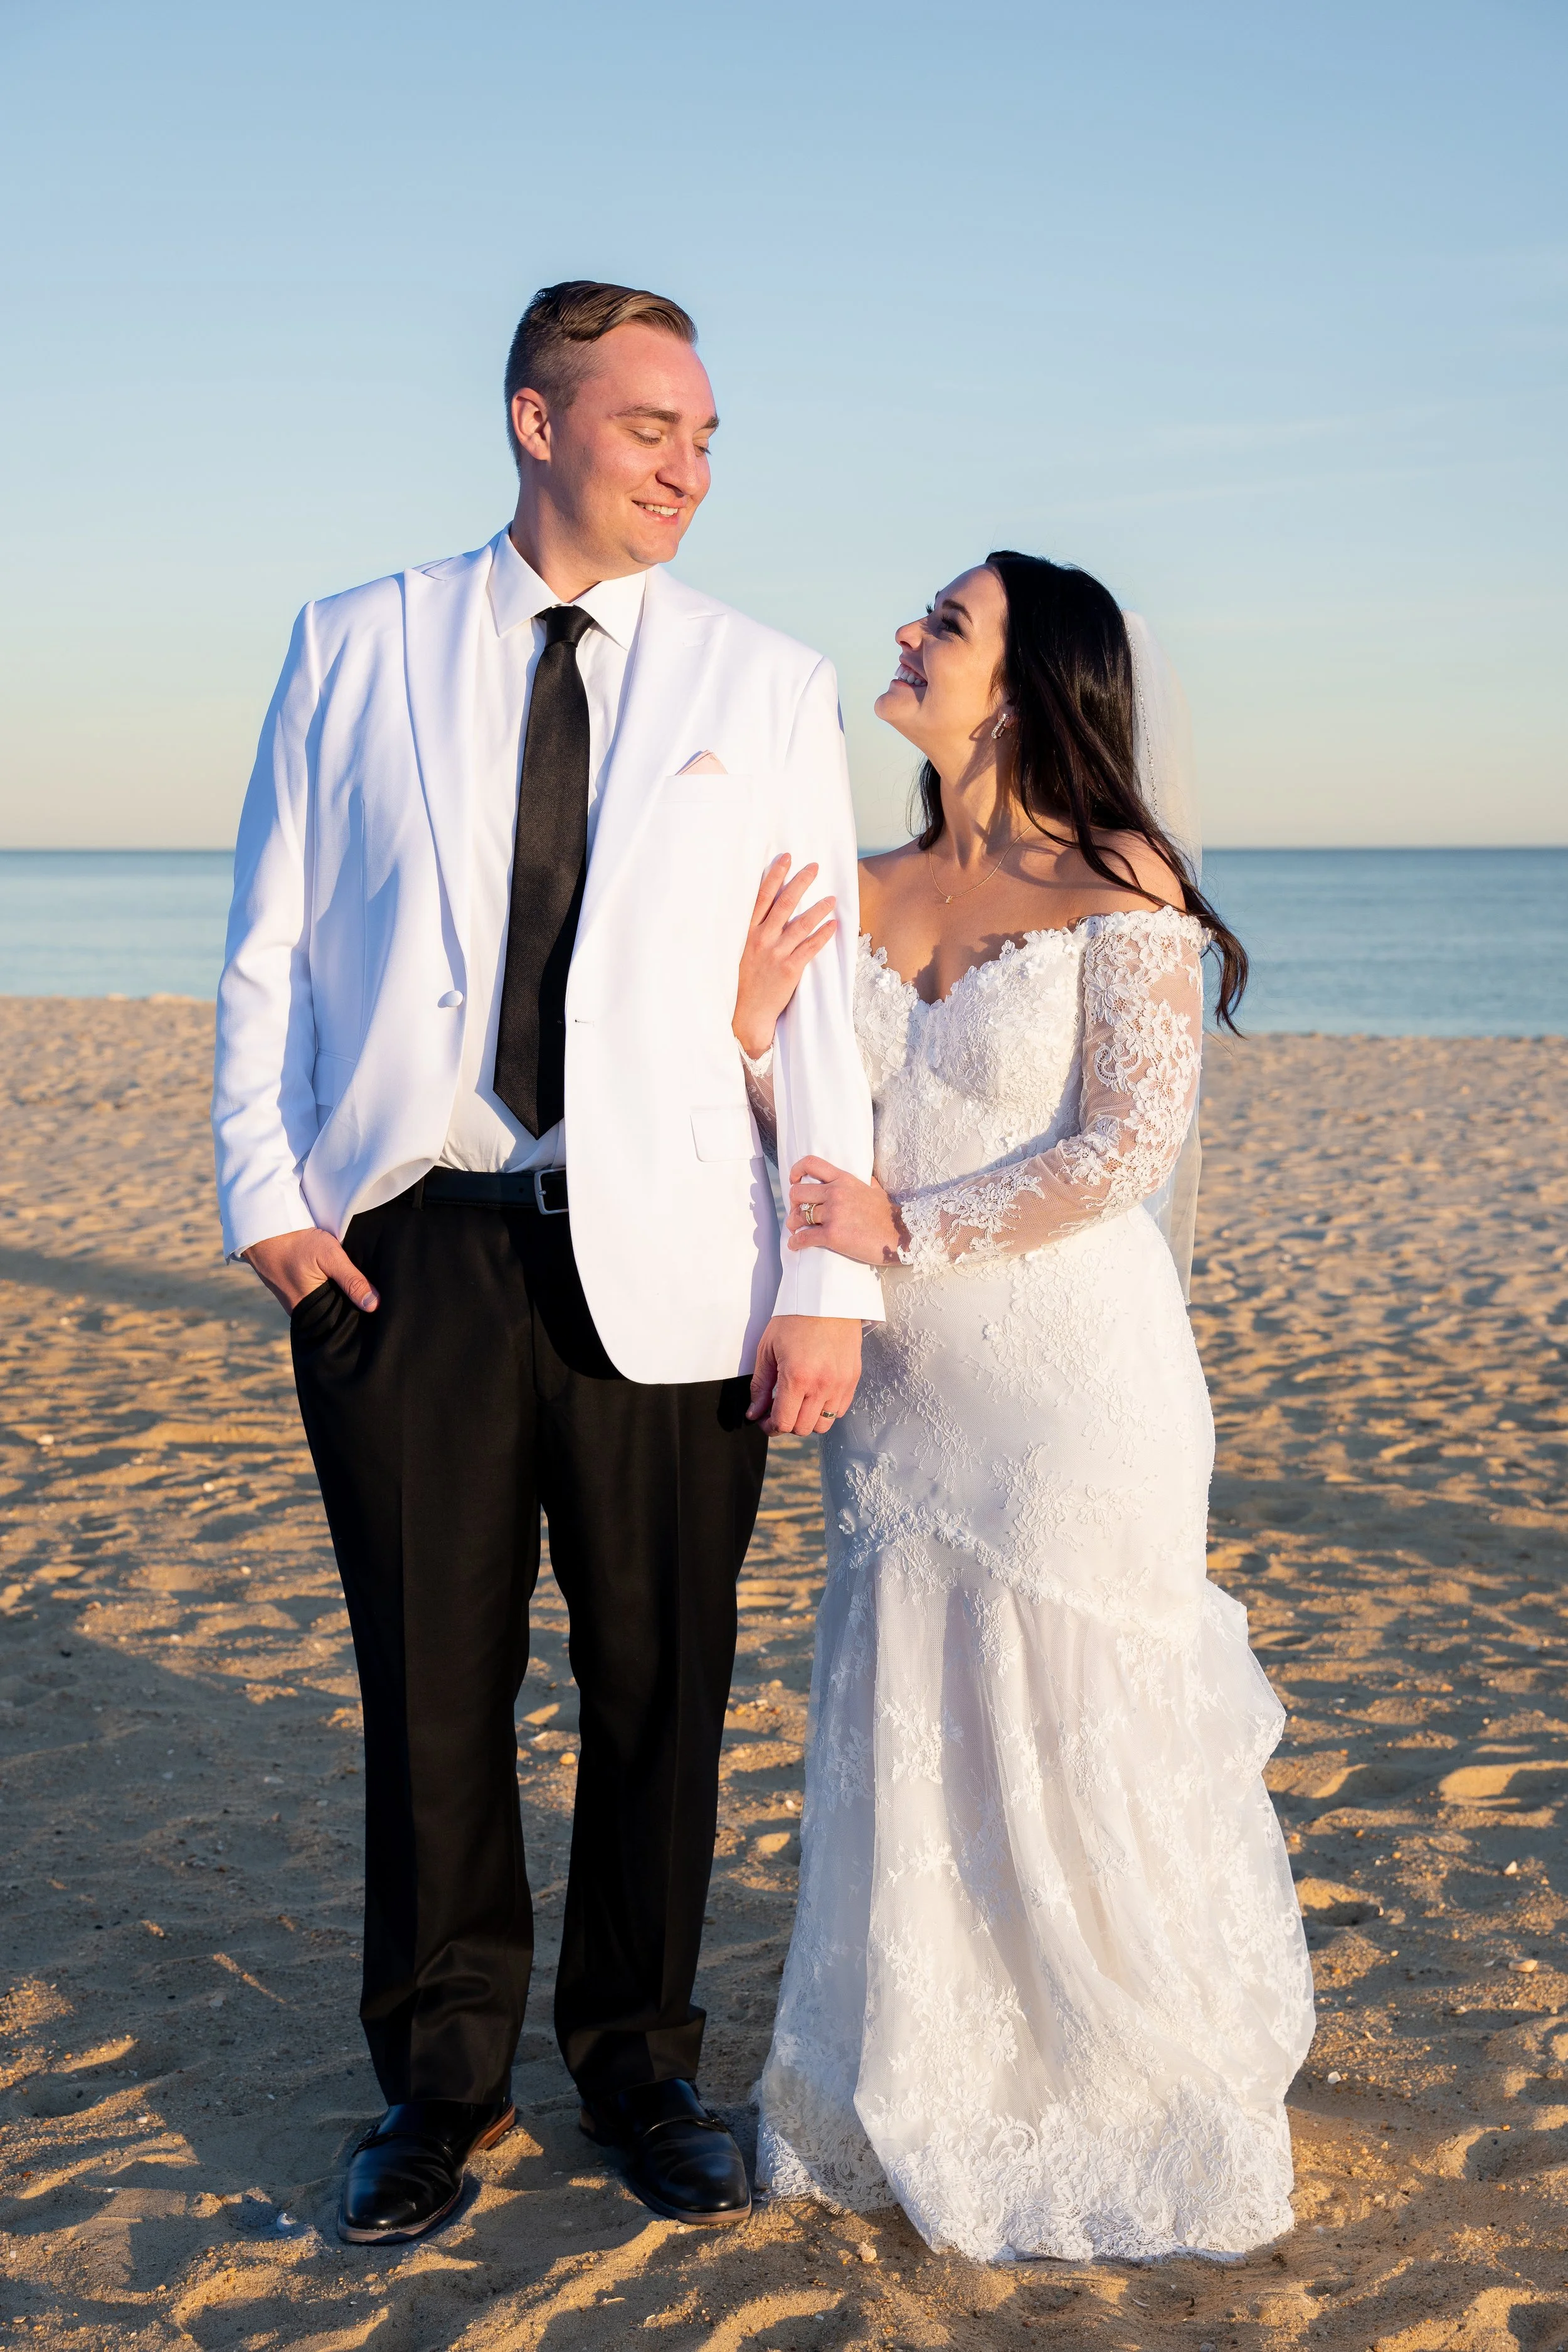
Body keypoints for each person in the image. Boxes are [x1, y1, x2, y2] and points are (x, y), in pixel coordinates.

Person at [211, 280, 882, 2243]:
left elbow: (816, 995)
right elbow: (268, 939)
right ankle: (435, 2087)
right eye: (647, 426)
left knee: (660, 1679)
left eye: (703, 437)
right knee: (432, 1683)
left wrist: (826, 1281)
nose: (684, 465)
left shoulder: (764, 682)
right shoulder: (355, 641)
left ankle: (640, 2064)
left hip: (672, 1251)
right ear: (533, 420)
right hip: (406, 1245)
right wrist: (267, 1188)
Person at [737, 554, 1316, 2262]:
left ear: (1025, 676)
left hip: (1073, 1385)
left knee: (1069, 1713)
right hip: (899, 1395)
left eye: (945, 622)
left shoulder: (1112, 872)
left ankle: (1129, 2079)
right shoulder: (845, 881)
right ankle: (936, 2069)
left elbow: (1124, 1145)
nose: (903, 635)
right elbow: (788, 1130)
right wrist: (746, 1022)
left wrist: (906, 1225)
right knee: (917, 1717)